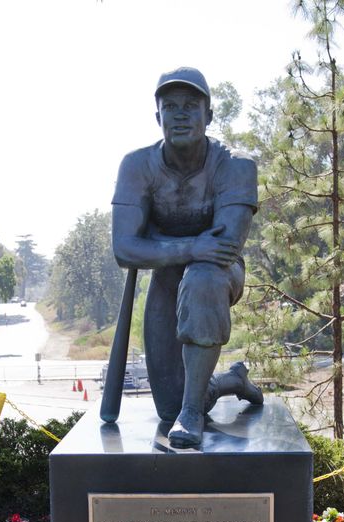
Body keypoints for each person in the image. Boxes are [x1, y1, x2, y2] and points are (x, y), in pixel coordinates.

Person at [111, 66, 263, 448]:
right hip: (166, 279)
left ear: (208, 115)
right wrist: (191, 246)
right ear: (157, 115)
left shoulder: (235, 165)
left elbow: (225, 246)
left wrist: (160, 242)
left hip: (219, 272)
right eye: (170, 106)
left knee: (202, 277)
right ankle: (231, 381)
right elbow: (124, 249)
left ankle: (193, 412)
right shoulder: (136, 165)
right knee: (168, 405)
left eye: (191, 106)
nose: (180, 114)